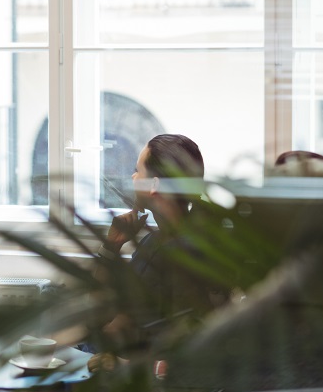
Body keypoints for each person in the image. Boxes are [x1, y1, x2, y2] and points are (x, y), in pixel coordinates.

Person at [92, 134, 229, 356]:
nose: (133, 177)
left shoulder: (171, 250)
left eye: (138, 170)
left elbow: (115, 323)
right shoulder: (166, 240)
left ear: (154, 184)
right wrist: (112, 246)